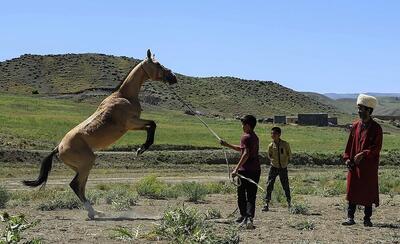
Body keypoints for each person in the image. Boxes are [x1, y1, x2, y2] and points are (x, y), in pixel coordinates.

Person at [342, 94, 383, 227]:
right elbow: (349, 145)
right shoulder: (355, 126)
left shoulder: (377, 128)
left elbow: (376, 148)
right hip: (355, 165)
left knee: (368, 191)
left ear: (369, 110)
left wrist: (363, 154)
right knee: (352, 190)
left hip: (369, 166)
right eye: (359, 108)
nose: (359, 111)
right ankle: (350, 217)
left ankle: (367, 218)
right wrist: (347, 158)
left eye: (361, 109)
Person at [220, 115, 260, 229]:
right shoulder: (254, 137)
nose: (242, 127)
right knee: (251, 196)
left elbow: (245, 154)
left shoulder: (245, 137)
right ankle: (248, 218)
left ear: (247, 125)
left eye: (243, 125)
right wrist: (227, 145)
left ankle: (244, 216)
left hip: (246, 171)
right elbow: (242, 149)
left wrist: (236, 169)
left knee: (242, 195)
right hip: (256, 170)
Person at [262, 127, 292, 212]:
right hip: (274, 167)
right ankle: (266, 204)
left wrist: (285, 163)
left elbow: (289, 155)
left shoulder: (285, 144)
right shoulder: (271, 145)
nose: (272, 135)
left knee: (285, 186)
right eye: (271, 133)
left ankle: (289, 203)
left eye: (274, 134)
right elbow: (269, 156)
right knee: (269, 185)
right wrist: (273, 162)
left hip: (283, 168)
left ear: (279, 135)